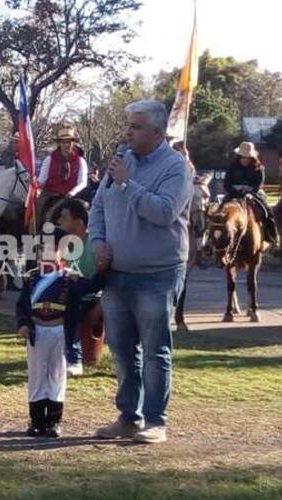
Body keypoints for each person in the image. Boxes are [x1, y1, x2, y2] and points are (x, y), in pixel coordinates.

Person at [89, 100, 193, 444]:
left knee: (154, 350)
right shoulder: (122, 160)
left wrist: (127, 184)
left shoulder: (176, 168)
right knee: (120, 349)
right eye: (128, 125)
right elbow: (99, 207)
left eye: (135, 127)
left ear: (157, 132)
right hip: (116, 274)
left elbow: (163, 212)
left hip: (157, 274)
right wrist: (97, 241)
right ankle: (128, 417)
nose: (128, 132)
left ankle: (155, 422)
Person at [16, 239, 102, 438]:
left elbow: (92, 286)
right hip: (37, 331)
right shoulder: (31, 278)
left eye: (50, 250)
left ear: (60, 253)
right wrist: (22, 324)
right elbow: (22, 305)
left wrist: (102, 269)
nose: (45, 254)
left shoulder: (68, 278)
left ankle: (54, 421)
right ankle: (37, 420)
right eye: (41, 251)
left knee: (57, 374)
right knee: (37, 375)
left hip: (59, 331)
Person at [57, 198, 100, 377]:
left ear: (79, 222)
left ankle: (74, 358)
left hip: (93, 292)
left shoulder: (95, 243)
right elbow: (62, 267)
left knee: (71, 294)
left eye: (64, 217)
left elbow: (102, 277)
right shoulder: (69, 243)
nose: (60, 221)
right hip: (74, 291)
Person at [222, 141, 278, 245]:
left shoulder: (259, 168)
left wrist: (251, 192)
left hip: (253, 193)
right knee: (220, 212)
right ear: (239, 156)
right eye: (243, 157)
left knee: (267, 212)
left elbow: (259, 184)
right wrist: (235, 189)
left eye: (247, 157)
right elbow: (226, 183)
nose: (245, 159)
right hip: (234, 193)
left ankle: (272, 237)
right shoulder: (232, 167)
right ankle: (212, 240)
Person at [34, 126, 88, 231]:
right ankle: (35, 233)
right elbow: (42, 179)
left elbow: (83, 182)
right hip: (51, 194)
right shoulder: (49, 159)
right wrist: (36, 184)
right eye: (63, 142)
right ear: (59, 144)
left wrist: (73, 192)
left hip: (71, 196)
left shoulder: (81, 161)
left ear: (73, 143)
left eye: (69, 142)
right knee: (38, 207)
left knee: (85, 210)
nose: (66, 145)